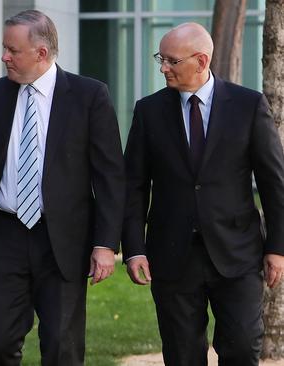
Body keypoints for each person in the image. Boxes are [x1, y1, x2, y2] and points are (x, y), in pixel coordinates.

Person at [0, 9, 124, 366]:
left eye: (12, 50)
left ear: (41, 53)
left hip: (63, 239)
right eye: (4, 48)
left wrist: (106, 244)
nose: (4, 57)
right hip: (4, 235)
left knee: (63, 346)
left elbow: (109, 178)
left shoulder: (90, 96)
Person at [122, 22, 284, 365]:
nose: (163, 67)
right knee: (182, 356)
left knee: (242, 348)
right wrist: (134, 248)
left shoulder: (248, 105)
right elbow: (134, 186)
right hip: (171, 255)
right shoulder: (148, 111)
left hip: (238, 253)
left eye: (171, 61)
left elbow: (274, 183)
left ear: (201, 61)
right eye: (160, 59)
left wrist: (277, 248)